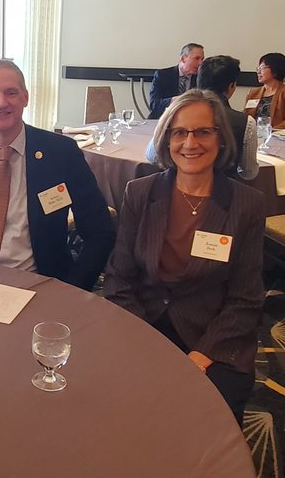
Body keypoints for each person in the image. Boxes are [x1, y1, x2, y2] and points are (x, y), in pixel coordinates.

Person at [104, 90, 265, 425]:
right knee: (114, 407)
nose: (190, 142)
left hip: (212, 335)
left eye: (203, 131)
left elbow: (246, 299)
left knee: (208, 419)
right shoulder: (141, 192)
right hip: (144, 324)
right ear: (166, 140)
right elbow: (119, 279)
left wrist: (201, 355)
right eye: (179, 132)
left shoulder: (245, 204)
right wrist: (147, 342)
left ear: (220, 138)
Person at [0, 60, 115, 289]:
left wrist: (73, 289)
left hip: (39, 284)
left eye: (11, 92)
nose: (1, 102)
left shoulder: (61, 153)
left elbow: (100, 231)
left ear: (25, 97)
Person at [194, 55, 257, 180]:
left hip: (177, 190)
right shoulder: (245, 122)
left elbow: (153, 156)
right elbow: (249, 172)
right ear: (231, 86)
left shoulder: (176, 113)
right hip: (223, 194)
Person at [244, 52, 285, 130]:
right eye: (258, 68)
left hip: (276, 138)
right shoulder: (253, 92)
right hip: (252, 136)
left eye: (262, 68)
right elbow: (246, 117)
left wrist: (269, 132)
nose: (258, 72)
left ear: (275, 69)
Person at [149, 43, 204, 119]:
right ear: (183, 58)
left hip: (191, 120)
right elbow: (154, 105)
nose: (200, 63)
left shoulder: (201, 77)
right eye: (197, 58)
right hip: (164, 119)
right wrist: (175, 100)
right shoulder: (163, 75)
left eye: (202, 59)